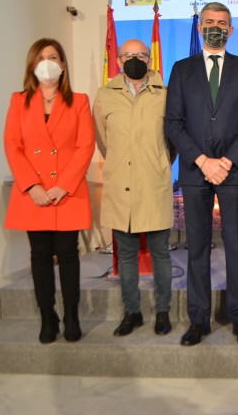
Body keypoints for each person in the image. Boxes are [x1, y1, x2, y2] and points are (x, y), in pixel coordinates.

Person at [166, 2, 238, 346]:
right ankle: (198, 320)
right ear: (200, 27)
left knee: (237, 247)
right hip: (195, 172)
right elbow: (173, 123)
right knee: (197, 250)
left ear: (231, 30)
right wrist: (203, 160)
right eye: (209, 22)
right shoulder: (181, 69)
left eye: (222, 23)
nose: (215, 27)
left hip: (233, 172)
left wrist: (226, 161)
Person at [4, 38, 95, 343]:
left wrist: (62, 186)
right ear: (32, 65)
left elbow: (85, 146)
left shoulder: (78, 100)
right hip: (34, 194)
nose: (48, 62)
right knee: (40, 255)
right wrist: (33, 186)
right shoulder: (19, 101)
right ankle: (47, 316)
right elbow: (13, 146)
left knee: (69, 255)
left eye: (53, 57)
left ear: (63, 64)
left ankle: (71, 315)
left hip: (66, 192)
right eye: (42, 57)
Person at [93, 39, 174, 337]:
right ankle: (132, 312)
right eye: (127, 55)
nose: (134, 60)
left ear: (150, 59)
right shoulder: (104, 96)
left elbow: (172, 140)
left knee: (160, 253)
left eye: (140, 55)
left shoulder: (165, 94)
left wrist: (157, 162)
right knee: (126, 256)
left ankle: (163, 310)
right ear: (118, 61)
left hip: (153, 184)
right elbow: (104, 141)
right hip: (120, 187)